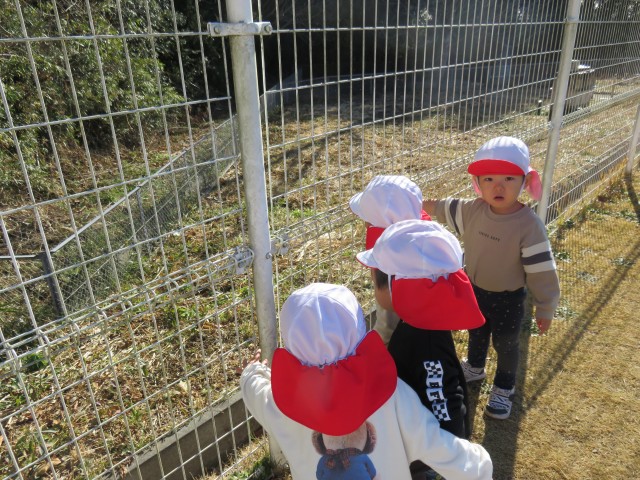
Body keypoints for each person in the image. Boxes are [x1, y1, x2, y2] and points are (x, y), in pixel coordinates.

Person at [240, 282, 493, 480]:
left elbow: (255, 393)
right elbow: (435, 445)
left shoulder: (281, 404)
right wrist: (479, 465)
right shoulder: (391, 393)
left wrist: (251, 371)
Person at [423, 135, 561, 420]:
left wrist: (545, 306)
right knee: (476, 330)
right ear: (478, 183)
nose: (498, 186)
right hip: (475, 290)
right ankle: (475, 367)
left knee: (506, 344)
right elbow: (443, 207)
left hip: (509, 299)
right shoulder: (473, 211)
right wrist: (419, 205)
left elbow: (541, 270)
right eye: (489, 179)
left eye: (509, 178)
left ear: (525, 181)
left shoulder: (528, 226)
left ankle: (504, 387)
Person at [356, 219, 485, 441]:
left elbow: (447, 414)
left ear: (400, 287)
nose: (373, 290)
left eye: (374, 281)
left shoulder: (428, 348)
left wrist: (444, 456)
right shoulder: (417, 323)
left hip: (423, 450)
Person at [349, 174, 431, 345]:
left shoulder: (385, 255)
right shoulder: (424, 236)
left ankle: (386, 354)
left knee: (387, 328)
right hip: (426, 318)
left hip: (395, 320)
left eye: (367, 218)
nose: (365, 222)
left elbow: (386, 310)